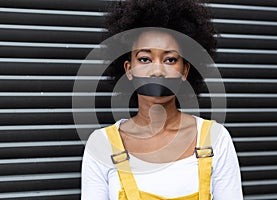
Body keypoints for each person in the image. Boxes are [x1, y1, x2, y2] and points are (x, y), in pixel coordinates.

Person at [81, 0, 243, 199]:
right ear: (128, 70)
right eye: (144, 59)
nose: (157, 71)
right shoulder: (101, 145)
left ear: (184, 70)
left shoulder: (216, 139)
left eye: (170, 60)